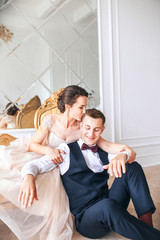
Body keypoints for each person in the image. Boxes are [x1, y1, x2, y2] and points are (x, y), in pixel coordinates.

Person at [0, 85, 135, 240]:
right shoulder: (50, 121)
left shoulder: (83, 127)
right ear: (68, 106)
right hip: (46, 159)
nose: (85, 111)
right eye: (81, 107)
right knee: (9, 168)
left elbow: (106, 145)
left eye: (86, 107)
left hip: (67, 166)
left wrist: (125, 149)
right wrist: (48, 151)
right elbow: (33, 144)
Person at [19, 109, 160, 240]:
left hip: (109, 201)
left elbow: (129, 155)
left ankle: (147, 225)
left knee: (132, 167)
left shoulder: (104, 150)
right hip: (87, 218)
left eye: (96, 129)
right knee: (107, 206)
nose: (91, 134)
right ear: (80, 127)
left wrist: (122, 155)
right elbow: (33, 165)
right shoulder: (65, 150)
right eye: (87, 128)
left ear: (102, 130)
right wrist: (28, 178)